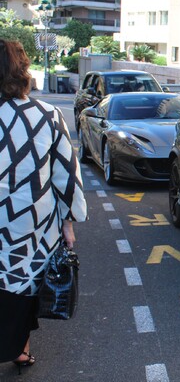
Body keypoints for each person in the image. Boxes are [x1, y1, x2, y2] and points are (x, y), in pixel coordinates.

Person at [0, 39, 88, 371]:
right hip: (32, 221)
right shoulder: (47, 115)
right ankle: (20, 349)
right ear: (23, 71)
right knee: (25, 287)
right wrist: (69, 224)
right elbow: (66, 174)